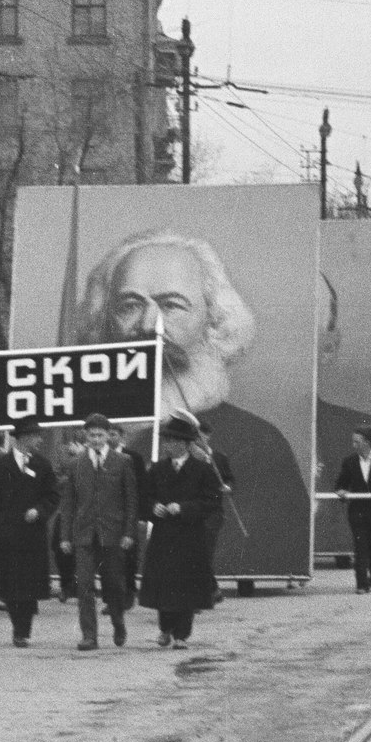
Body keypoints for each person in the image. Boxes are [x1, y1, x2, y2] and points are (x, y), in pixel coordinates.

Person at [76, 231, 302, 579]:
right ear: (104, 321)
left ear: (213, 320)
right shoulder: (81, 436)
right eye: (129, 306)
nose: (149, 327)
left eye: (172, 305)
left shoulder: (259, 444)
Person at [57, 414, 140, 648]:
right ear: (85, 437)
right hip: (84, 535)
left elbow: (130, 500)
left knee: (113, 584)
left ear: (108, 436)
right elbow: (69, 504)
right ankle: (89, 635)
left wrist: (128, 533)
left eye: (100, 435)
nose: (95, 439)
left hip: (112, 534)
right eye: (91, 435)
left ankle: (118, 621)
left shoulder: (122, 461)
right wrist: (65, 536)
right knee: (83, 584)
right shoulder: (76, 464)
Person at [139, 418, 224, 647]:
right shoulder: (157, 469)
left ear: (186, 444)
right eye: (166, 440)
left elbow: (213, 502)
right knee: (164, 585)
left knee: (186, 587)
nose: (168, 444)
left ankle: (181, 635)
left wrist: (184, 508)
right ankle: (165, 629)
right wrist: (152, 507)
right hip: (163, 536)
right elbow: (143, 499)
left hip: (190, 537)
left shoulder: (202, 470)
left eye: (174, 440)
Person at [0, 421, 60, 648]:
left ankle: (24, 630)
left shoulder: (42, 465)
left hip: (33, 534)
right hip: (8, 535)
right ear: (23, 437)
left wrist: (40, 510)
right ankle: (18, 628)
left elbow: (53, 496)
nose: (40, 440)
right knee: (12, 584)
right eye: (36, 436)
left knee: (30, 585)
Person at [332, 425, 371, 593]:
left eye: (357, 442)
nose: (354, 445)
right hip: (357, 512)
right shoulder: (350, 462)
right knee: (361, 547)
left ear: (367, 442)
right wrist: (341, 491)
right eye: (353, 442)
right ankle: (361, 584)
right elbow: (340, 484)